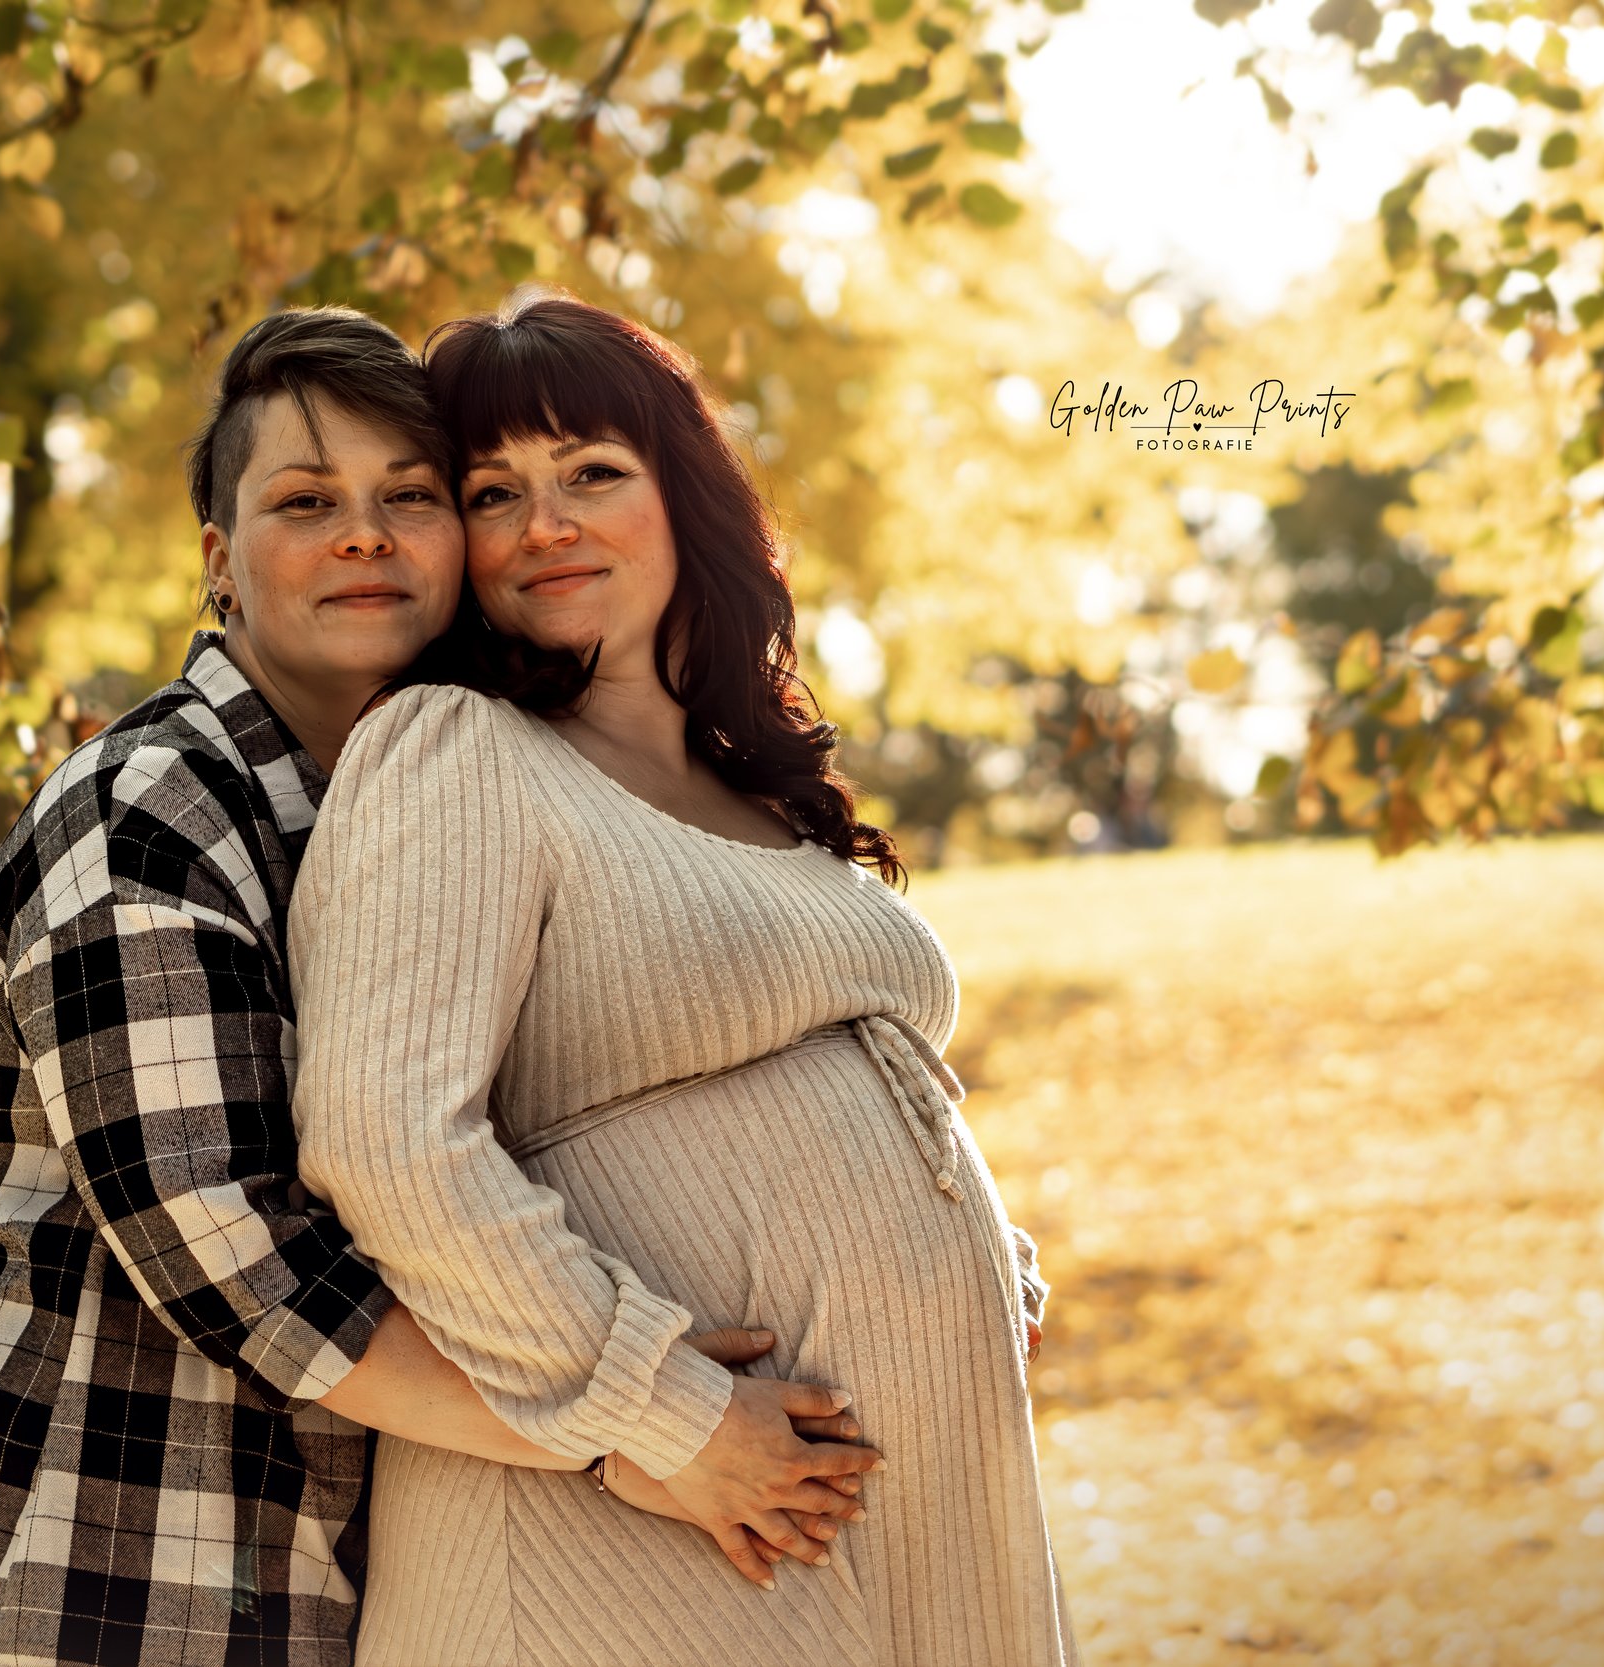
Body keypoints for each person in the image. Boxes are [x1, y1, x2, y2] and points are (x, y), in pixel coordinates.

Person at [0, 306, 877, 1667]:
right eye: (307, 502)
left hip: (337, 1583)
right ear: (220, 564)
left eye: (410, 496)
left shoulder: (407, 801)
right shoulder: (146, 814)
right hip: (111, 1577)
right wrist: (644, 1430)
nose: (365, 535)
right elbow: (233, 1251)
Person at [284, 291, 1071, 1664]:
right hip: (626, 1538)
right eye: (494, 492)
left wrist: (977, 1265)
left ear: (681, 499)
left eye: (592, 473)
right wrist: (665, 1414)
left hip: (878, 1511)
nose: (546, 524)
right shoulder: (454, 749)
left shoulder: (757, 786)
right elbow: (385, 1141)